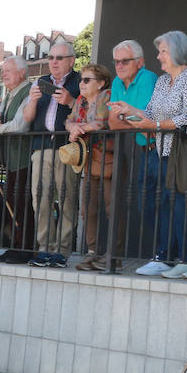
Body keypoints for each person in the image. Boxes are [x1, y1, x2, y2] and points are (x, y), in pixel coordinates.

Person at [126, 31, 187, 278]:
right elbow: (150, 112)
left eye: (162, 51)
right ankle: (171, 256)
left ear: (176, 52)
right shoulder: (163, 81)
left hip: (186, 151)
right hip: (161, 149)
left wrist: (155, 126)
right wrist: (131, 112)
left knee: (183, 204)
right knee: (161, 204)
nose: (158, 56)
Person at [22, 42, 82, 268]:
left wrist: (71, 101)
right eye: (51, 58)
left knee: (67, 199)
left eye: (59, 58)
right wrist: (34, 99)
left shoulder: (80, 81)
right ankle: (45, 248)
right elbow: (28, 117)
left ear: (71, 60)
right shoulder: (41, 82)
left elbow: (88, 111)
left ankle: (62, 251)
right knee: (41, 199)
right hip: (41, 147)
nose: (54, 62)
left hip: (66, 148)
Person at [107, 39, 158, 260]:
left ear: (139, 62)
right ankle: (160, 254)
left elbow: (146, 121)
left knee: (163, 203)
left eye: (124, 61)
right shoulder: (118, 83)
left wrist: (129, 117)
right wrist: (133, 118)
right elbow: (113, 124)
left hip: (160, 147)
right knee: (144, 204)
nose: (119, 66)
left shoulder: (149, 79)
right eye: (116, 62)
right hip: (143, 149)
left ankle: (167, 255)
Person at [67, 63, 118, 272]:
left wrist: (79, 129)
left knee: (111, 208)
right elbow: (68, 121)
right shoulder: (80, 100)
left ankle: (113, 255)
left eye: (87, 80)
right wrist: (73, 127)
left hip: (108, 158)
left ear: (101, 83)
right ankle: (92, 252)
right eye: (81, 79)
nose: (82, 84)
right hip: (88, 160)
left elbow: (102, 122)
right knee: (88, 209)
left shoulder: (106, 96)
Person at [0, 56, 37, 249]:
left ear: (22, 72)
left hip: (23, 158)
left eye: (8, 70)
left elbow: (19, 126)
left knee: (23, 205)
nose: (3, 74)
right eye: (3, 71)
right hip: (10, 159)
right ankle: (16, 245)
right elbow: (5, 121)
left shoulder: (29, 91)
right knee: (12, 204)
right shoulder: (9, 94)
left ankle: (25, 248)